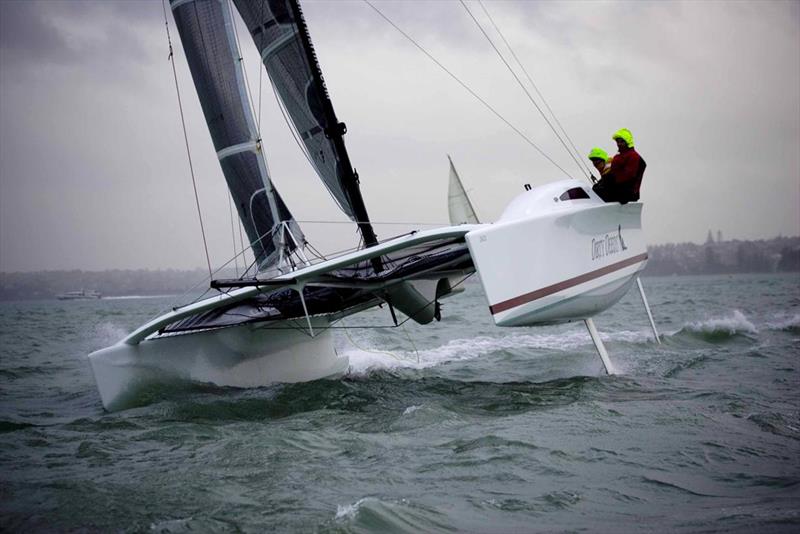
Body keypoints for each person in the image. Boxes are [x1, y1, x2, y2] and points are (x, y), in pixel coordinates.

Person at [592, 128, 646, 204]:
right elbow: (614, 174)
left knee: (596, 191)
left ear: (628, 141)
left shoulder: (633, 156)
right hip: (619, 192)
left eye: (622, 141)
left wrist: (607, 182)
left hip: (626, 194)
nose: (619, 144)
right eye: (617, 141)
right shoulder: (620, 156)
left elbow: (627, 177)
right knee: (595, 190)